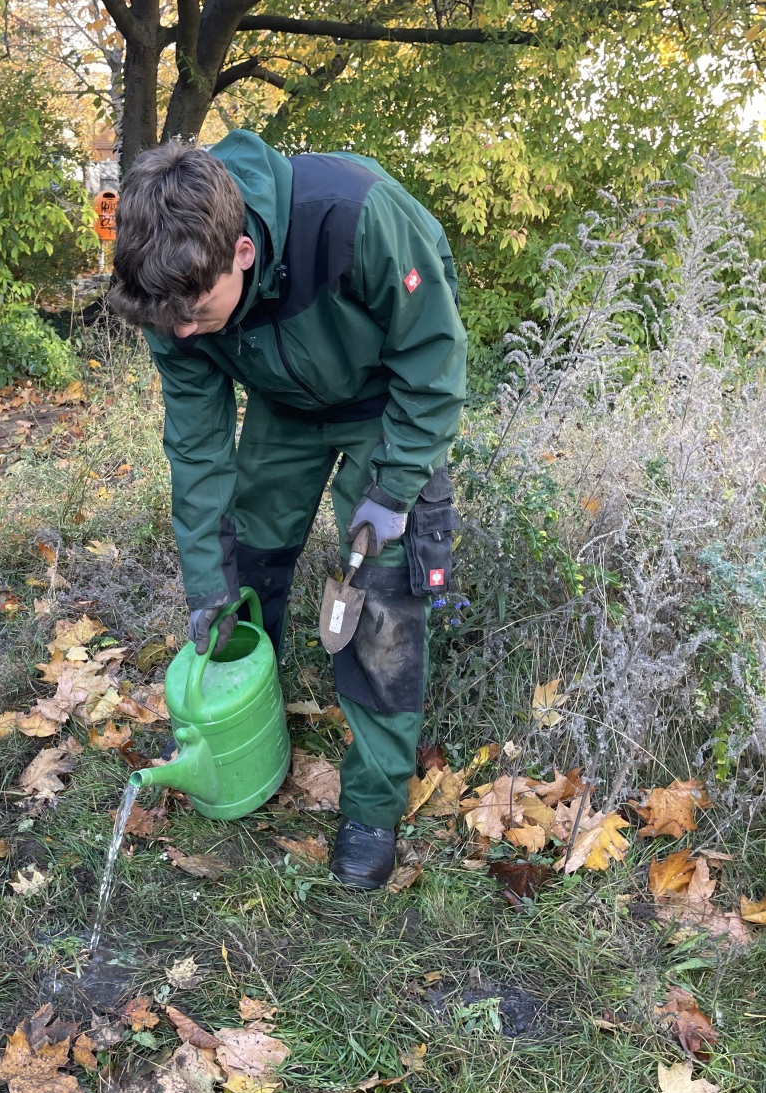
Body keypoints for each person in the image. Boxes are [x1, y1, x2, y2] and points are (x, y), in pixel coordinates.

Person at [106, 130, 467, 890]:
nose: (181, 333)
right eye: (169, 321)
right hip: (286, 402)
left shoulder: (355, 216)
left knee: (381, 598)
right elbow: (199, 449)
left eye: (197, 315)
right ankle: (252, 748)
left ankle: (372, 804)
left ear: (241, 251)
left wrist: (394, 490)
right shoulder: (173, 292)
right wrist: (207, 583)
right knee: (249, 561)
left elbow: (434, 365)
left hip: (389, 400)